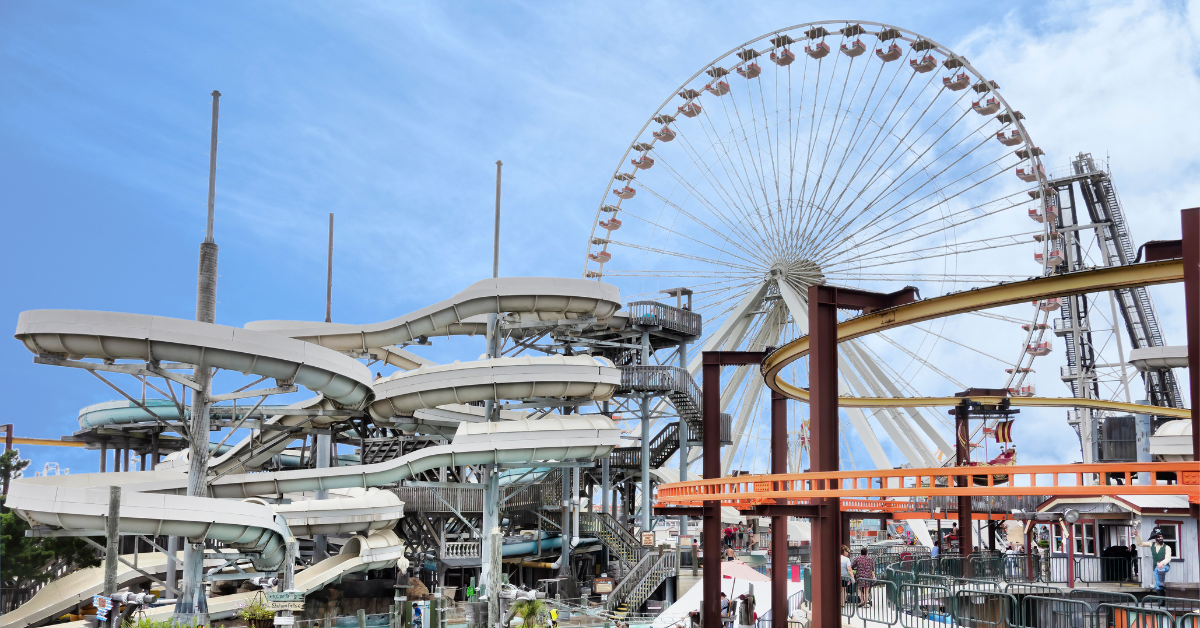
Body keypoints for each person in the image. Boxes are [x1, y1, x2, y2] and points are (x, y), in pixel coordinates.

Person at [1135, 527, 1172, 598]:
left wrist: (1162, 563)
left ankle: (1162, 583)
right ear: (1155, 538)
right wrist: (1137, 535)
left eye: (1161, 536)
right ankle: (1162, 600)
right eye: (1159, 536)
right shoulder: (1151, 544)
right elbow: (1140, 544)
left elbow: (1168, 558)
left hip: (1165, 566)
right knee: (1157, 584)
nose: (1161, 538)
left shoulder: (1167, 547)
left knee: (1160, 569)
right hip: (1155, 567)